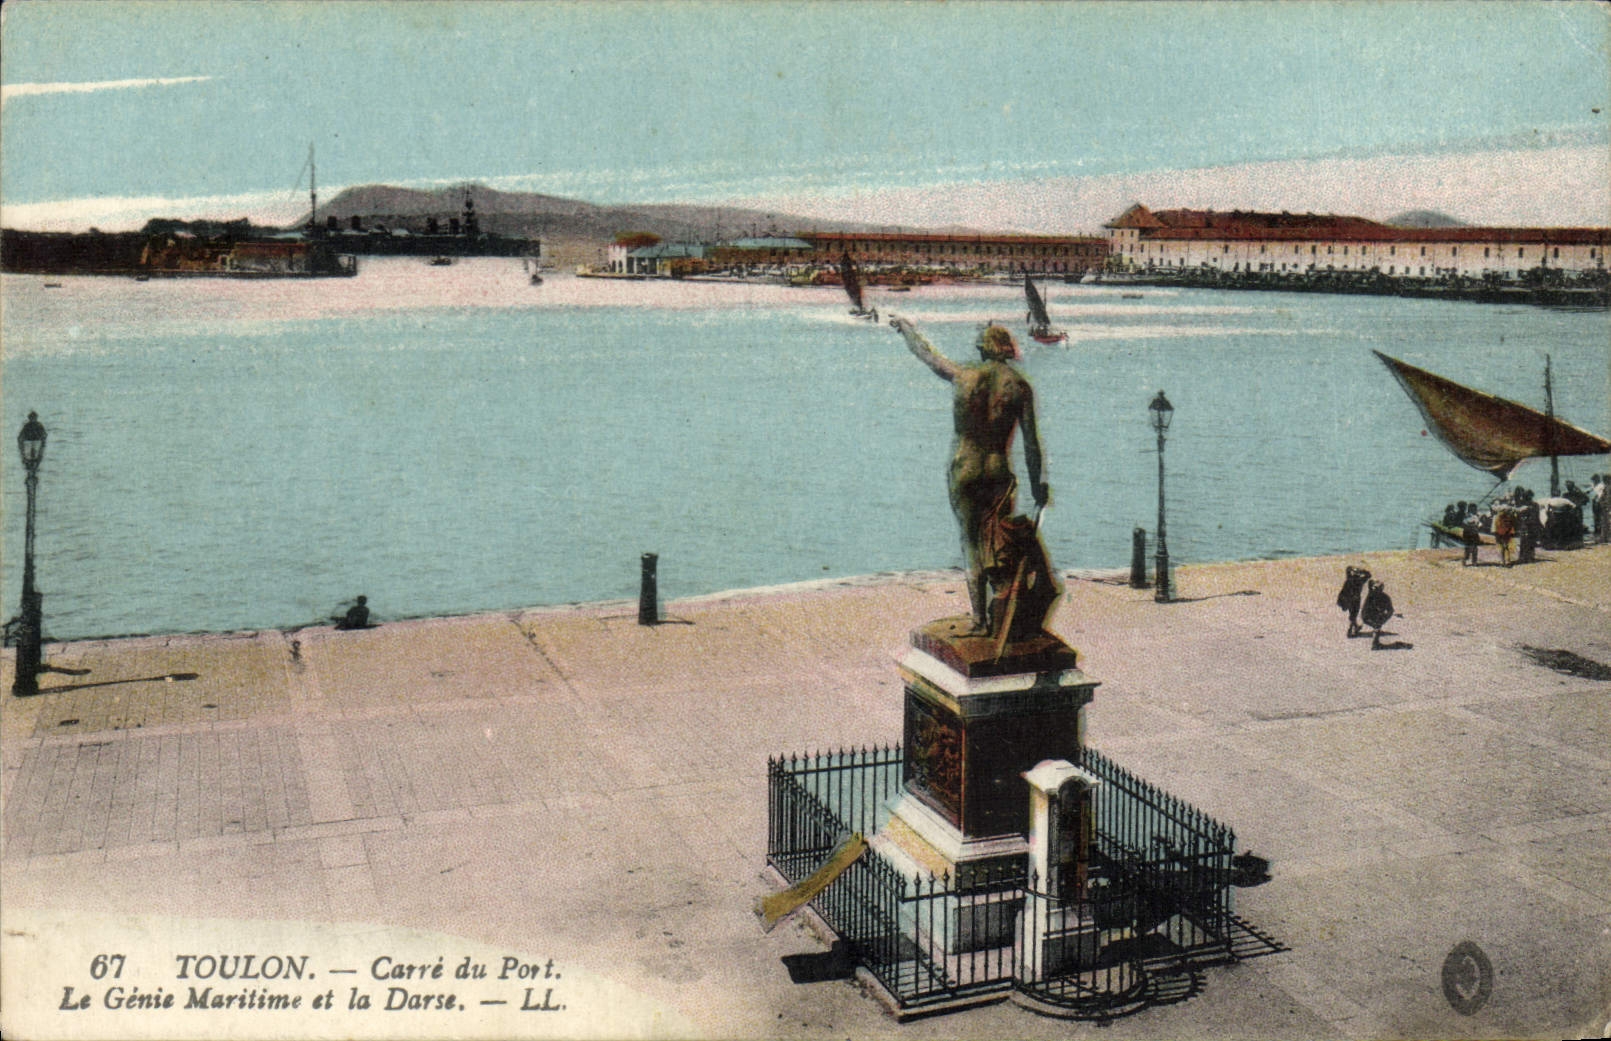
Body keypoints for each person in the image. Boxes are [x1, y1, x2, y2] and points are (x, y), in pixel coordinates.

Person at [889, 316, 1050, 635]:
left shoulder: (964, 376)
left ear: (982, 350)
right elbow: (1031, 444)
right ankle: (1000, 611)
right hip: (997, 470)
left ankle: (980, 619)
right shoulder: (1019, 387)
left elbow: (928, 355)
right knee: (996, 540)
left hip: (964, 468)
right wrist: (1037, 486)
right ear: (1007, 350)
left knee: (971, 542)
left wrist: (907, 328)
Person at [1337, 565, 1371, 637]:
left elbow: (1348, 568)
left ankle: (1355, 627)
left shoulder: (1349, 577)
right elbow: (1369, 574)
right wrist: (1362, 570)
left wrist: (1355, 569)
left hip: (1345, 598)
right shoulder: (1361, 580)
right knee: (1353, 615)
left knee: (1352, 614)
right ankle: (1350, 630)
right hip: (1355, 599)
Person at [1360, 579, 1395, 650]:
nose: (1375, 589)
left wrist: (1384, 617)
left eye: (1377, 588)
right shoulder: (1372, 596)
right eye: (1375, 588)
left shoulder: (1383, 597)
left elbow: (1390, 610)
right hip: (1368, 616)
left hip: (1373, 617)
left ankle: (1375, 642)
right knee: (1377, 626)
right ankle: (1375, 644)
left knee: (1377, 626)